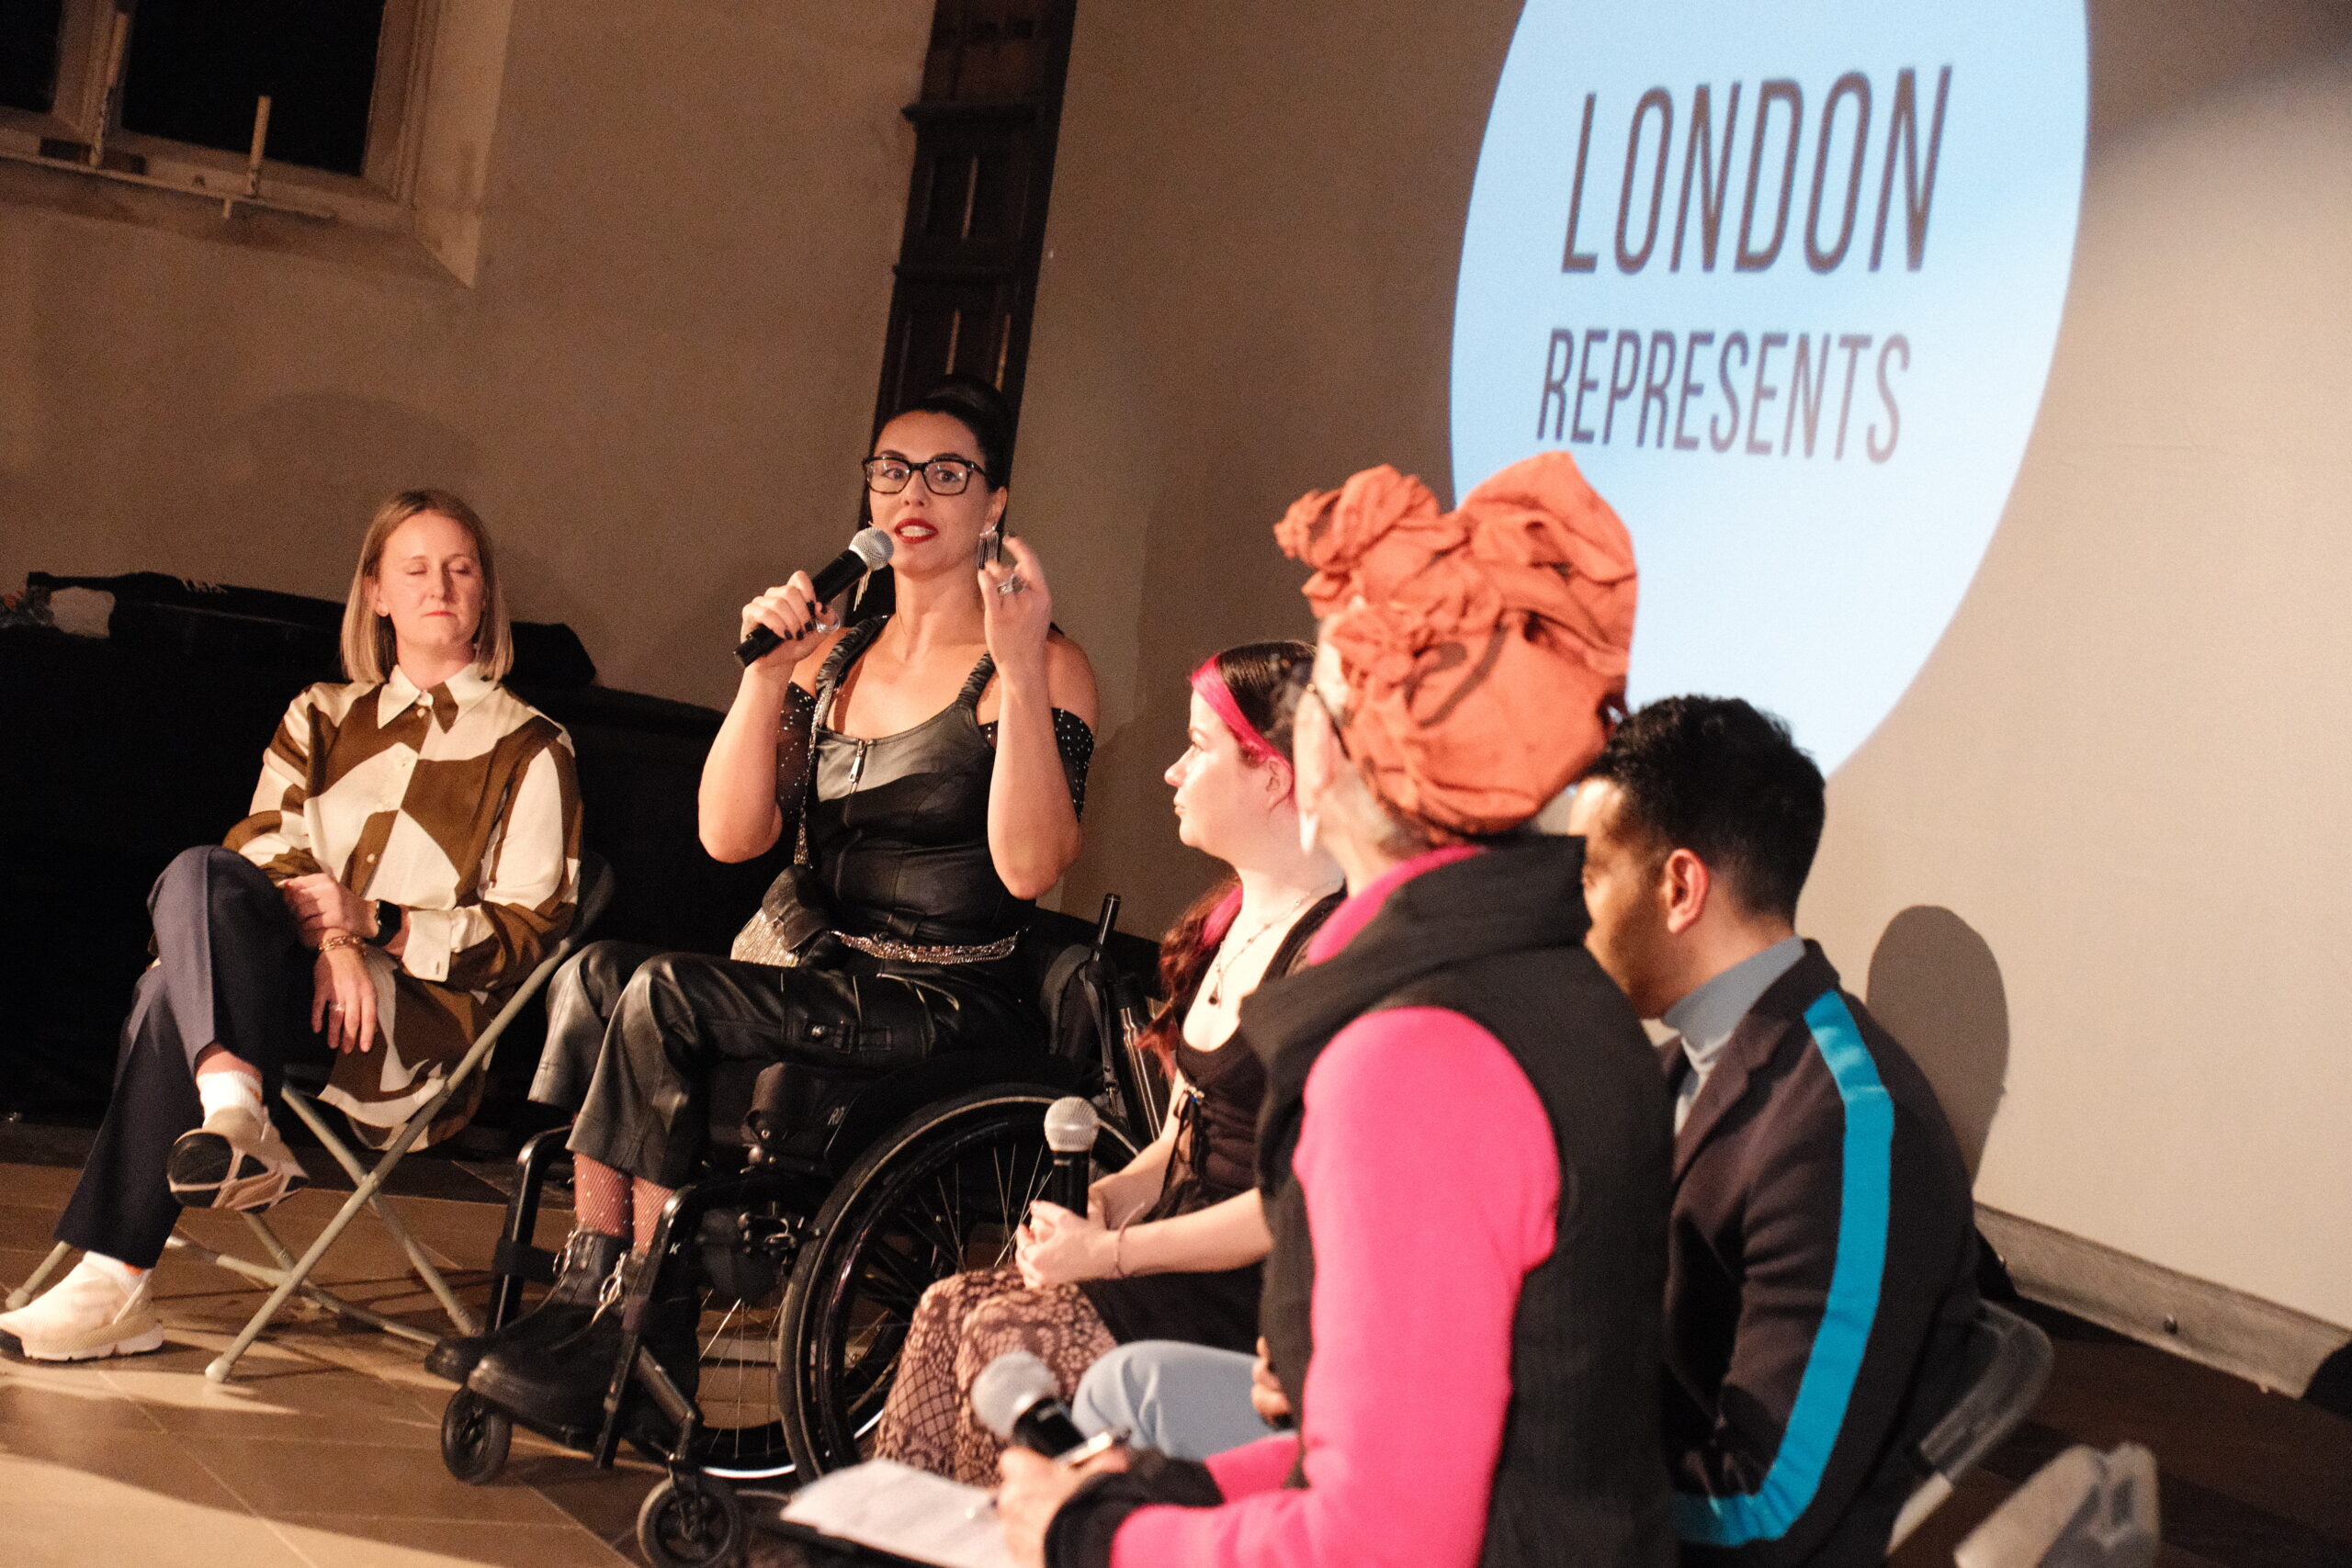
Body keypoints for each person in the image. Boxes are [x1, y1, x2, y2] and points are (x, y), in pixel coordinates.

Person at [999, 453, 1675, 1568]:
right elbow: (1435, 1444)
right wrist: (1183, 1486)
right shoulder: (1557, 989)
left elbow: (1388, 1534)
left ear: (1334, 754)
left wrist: (1100, 1540)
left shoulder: (1415, 1053)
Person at [445, 377, 1101, 1436]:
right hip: (828, 974)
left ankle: (627, 1328)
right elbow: (729, 838)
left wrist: (1020, 670)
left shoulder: (1041, 666)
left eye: (948, 473)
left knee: (663, 994)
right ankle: (590, 1294)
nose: (913, 493)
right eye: (892, 470)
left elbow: (1031, 870)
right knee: (597, 971)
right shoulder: (835, 657)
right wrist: (765, 681)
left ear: (995, 503)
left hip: (946, 997)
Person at [0, 491, 582, 1363]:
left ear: (486, 595)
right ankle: (232, 1114)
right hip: (288, 986)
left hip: (407, 1021)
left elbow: (531, 928)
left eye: (461, 568)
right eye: (414, 568)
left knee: (170, 987)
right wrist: (333, 941)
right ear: (376, 592)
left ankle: (121, 1265)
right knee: (203, 868)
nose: (440, 585)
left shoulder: (533, 746)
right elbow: (265, 849)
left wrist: (375, 927)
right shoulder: (320, 713)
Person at [872, 641, 1343, 1485]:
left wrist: (1113, 1254)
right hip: (1168, 1257)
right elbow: (1183, 1141)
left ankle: (1025, 1537)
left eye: (1197, 746)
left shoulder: (1329, 954)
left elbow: (1287, 1208)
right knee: (946, 1305)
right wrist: (1104, 1200)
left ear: (1273, 776)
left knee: (1004, 1339)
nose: (1172, 771)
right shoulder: (1226, 922)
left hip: (1248, 1299)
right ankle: (897, 1540)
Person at [1566, 696, 1979, 1568]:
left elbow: (1765, 1506)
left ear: (1679, 887)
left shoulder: (1849, 1124)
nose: (1572, 912)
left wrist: (1521, 1486)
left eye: (1589, 875)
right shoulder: (1674, 1067)